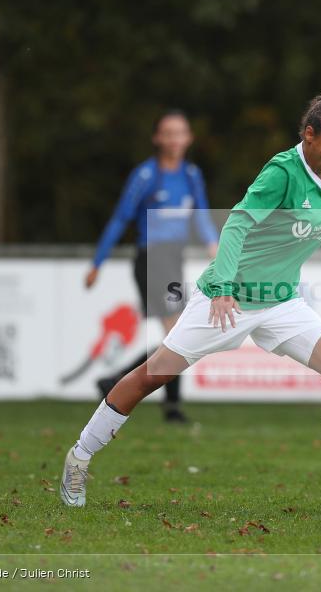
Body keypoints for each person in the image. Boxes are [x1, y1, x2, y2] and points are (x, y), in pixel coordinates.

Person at [61, 94, 321, 509]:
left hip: (281, 303)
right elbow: (239, 222)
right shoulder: (282, 173)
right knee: (154, 375)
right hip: (226, 301)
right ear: (309, 134)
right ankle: (79, 459)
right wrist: (223, 285)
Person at [86, 110, 219, 423]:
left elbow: (200, 213)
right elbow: (121, 217)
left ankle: (119, 383)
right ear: (158, 139)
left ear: (188, 138)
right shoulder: (146, 175)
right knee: (180, 334)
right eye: (168, 133)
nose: (174, 139)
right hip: (151, 259)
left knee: (180, 335)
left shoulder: (191, 174)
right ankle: (163, 403)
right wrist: (97, 262)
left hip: (173, 258)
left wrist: (214, 245)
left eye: (180, 133)